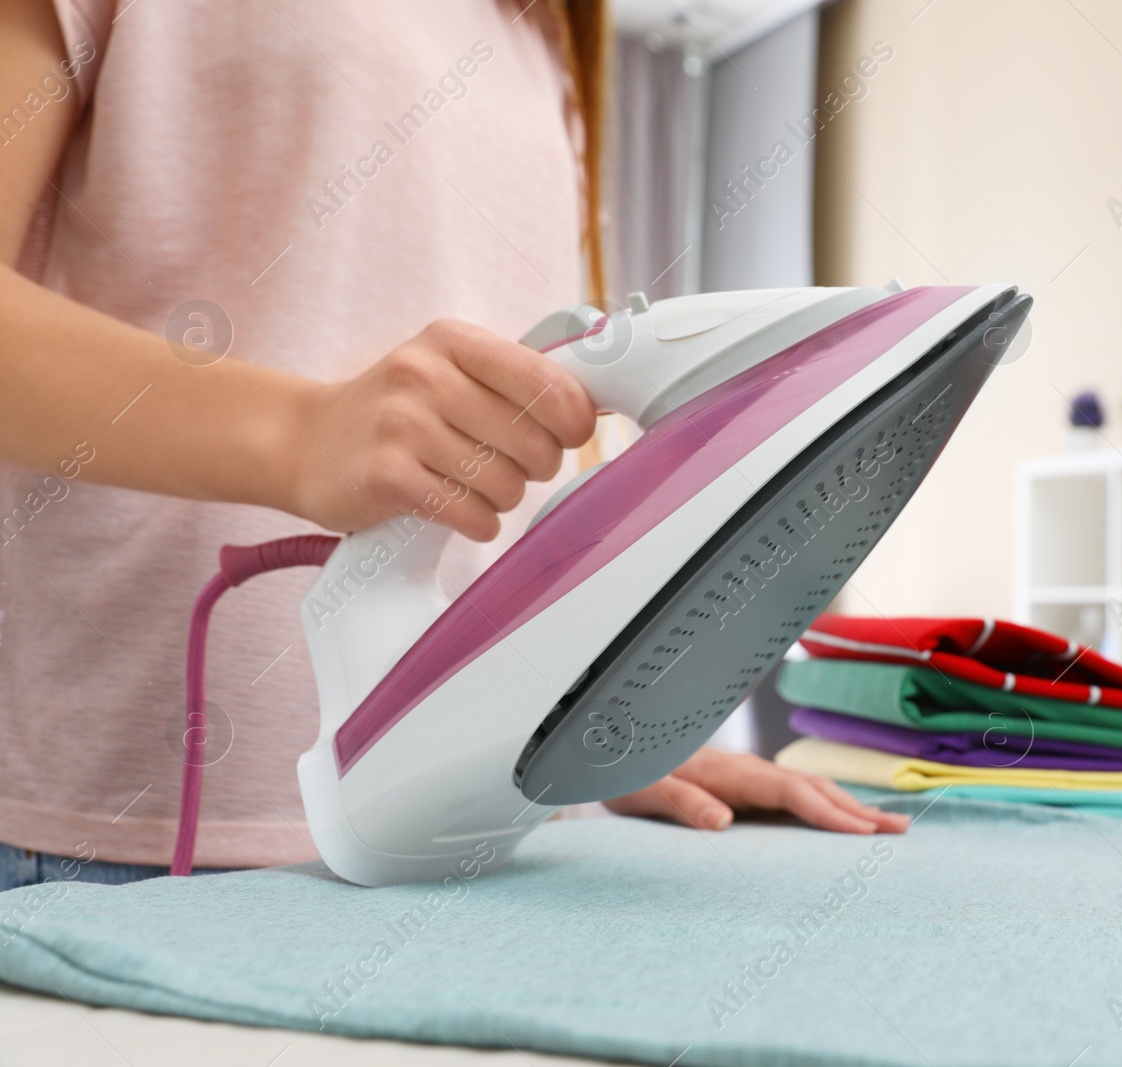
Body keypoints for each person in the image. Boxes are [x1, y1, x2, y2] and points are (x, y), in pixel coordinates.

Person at [0, 0, 906, 891]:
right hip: (136, 828)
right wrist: (299, 435)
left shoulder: (543, 30)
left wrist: (597, 717)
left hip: (491, 828)